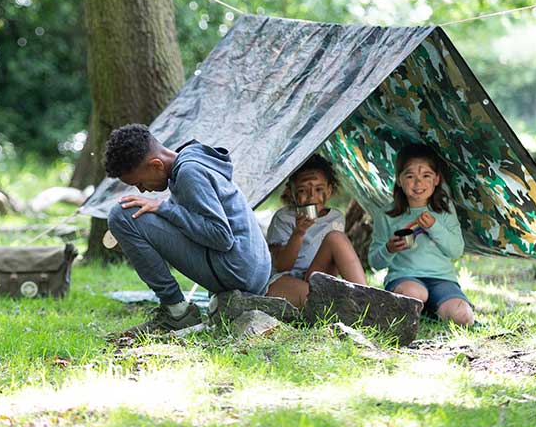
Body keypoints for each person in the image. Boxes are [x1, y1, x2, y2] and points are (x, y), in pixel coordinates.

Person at [104, 124, 272, 335]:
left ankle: (176, 313)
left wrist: (164, 208)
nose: (142, 190)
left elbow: (221, 236)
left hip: (237, 271)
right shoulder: (191, 161)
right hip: (250, 270)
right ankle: (198, 308)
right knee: (134, 213)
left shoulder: (189, 172)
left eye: (139, 182)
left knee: (121, 215)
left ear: (156, 165)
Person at [368, 143, 473, 325]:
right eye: (410, 176)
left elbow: (456, 251)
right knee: (415, 294)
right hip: (404, 278)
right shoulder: (386, 215)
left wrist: (434, 227)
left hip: (442, 280)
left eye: (426, 176)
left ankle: (430, 312)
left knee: (463, 317)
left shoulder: (444, 211)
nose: (418, 183)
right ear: (399, 180)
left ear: (437, 179)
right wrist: (389, 249)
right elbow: (374, 263)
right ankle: (421, 310)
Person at [265, 155, 367, 309]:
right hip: (285, 280)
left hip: (315, 277)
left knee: (336, 238)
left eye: (319, 189)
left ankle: (366, 298)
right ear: (292, 193)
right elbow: (282, 266)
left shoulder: (335, 217)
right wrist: (298, 233)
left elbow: (334, 263)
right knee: (321, 303)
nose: (312, 196)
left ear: (329, 191)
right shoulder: (283, 218)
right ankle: (338, 306)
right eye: (302, 190)